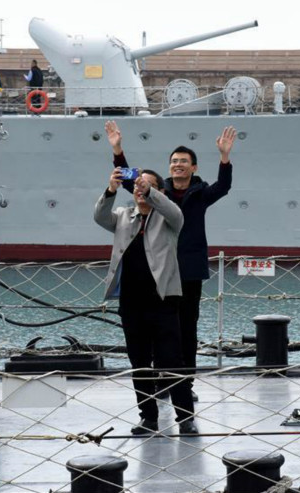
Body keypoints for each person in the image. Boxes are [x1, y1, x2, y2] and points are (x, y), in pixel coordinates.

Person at [105, 121, 236, 401]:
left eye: (184, 162)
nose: (178, 165)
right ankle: (159, 384)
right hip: (158, 273)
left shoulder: (199, 195)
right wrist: (117, 150)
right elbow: (131, 183)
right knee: (154, 333)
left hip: (187, 273)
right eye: (174, 161)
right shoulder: (157, 194)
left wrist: (224, 157)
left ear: (194, 168)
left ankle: (184, 386)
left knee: (186, 332)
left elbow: (223, 186)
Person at [94, 167, 198, 435]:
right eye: (138, 186)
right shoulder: (123, 217)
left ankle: (185, 418)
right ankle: (148, 417)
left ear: (159, 192)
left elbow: (175, 212)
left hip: (163, 301)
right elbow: (100, 217)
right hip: (131, 303)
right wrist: (111, 191)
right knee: (139, 363)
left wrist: (149, 190)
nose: (140, 190)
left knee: (172, 361)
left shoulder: (169, 219)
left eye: (148, 186)